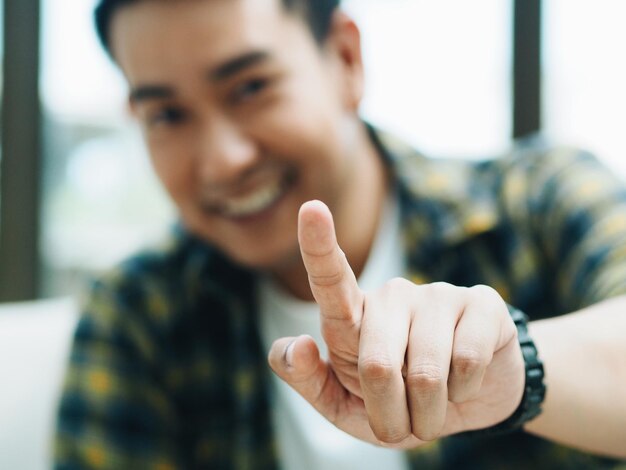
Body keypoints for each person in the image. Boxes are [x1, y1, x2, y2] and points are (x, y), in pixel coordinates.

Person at [54, 0, 626, 468]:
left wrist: (514, 372)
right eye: (167, 116)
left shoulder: (537, 201)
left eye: (251, 87)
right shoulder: (138, 314)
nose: (223, 161)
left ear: (346, 59)